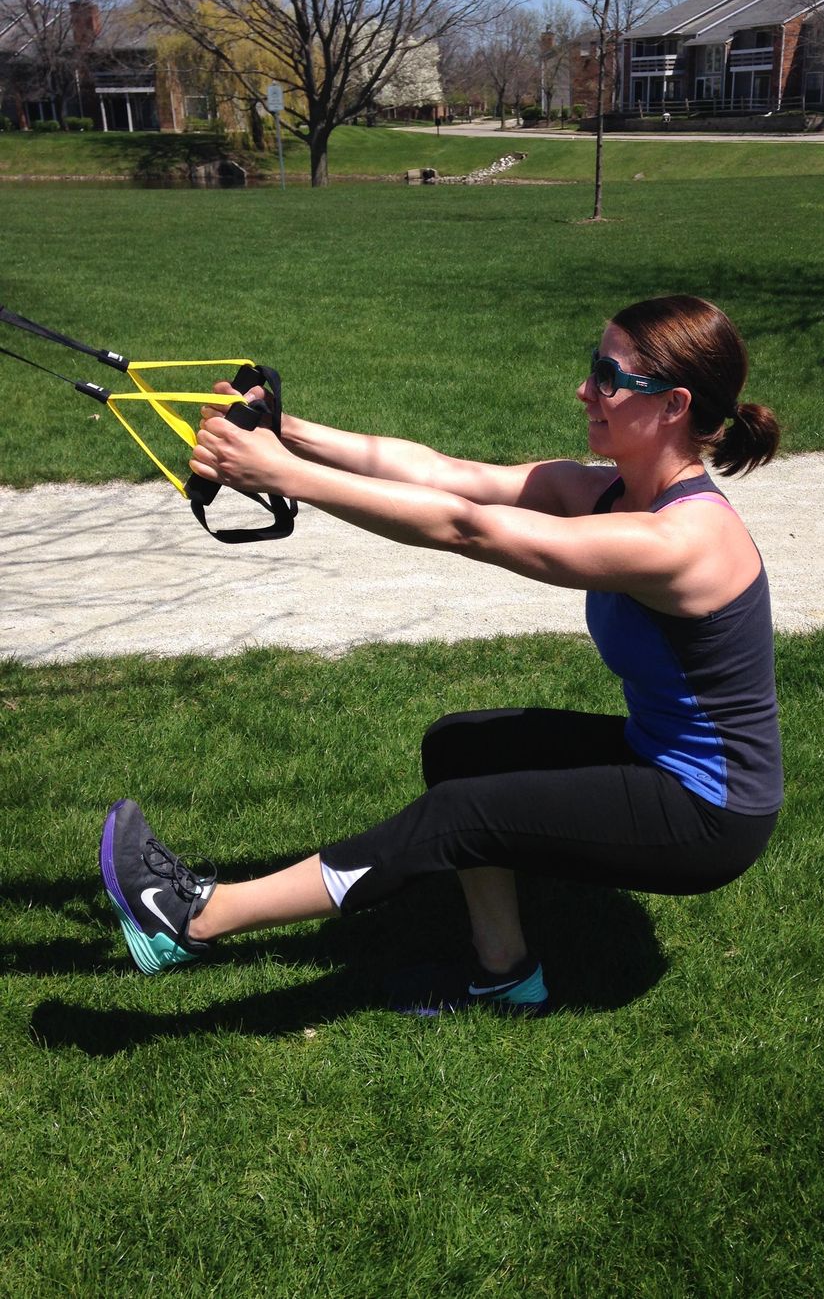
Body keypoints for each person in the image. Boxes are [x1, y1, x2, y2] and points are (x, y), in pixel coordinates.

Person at [100, 294, 783, 1015]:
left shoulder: (684, 542)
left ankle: (193, 916)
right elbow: (445, 473)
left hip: (712, 814)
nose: (584, 389)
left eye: (607, 375)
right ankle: (506, 977)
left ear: (673, 404)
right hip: (657, 759)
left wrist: (282, 474)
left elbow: (469, 529)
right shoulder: (606, 492)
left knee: (461, 814)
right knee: (461, 749)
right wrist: (284, 433)